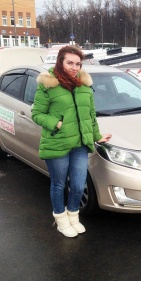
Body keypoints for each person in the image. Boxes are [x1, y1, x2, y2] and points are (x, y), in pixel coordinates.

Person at [32, 45, 112, 237]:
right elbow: (36, 113)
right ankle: (61, 220)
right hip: (57, 143)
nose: (74, 67)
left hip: (79, 145)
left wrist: (96, 135)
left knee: (77, 185)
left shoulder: (84, 86)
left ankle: (73, 217)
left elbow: (90, 116)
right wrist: (57, 124)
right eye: (70, 63)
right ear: (60, 62)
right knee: (59, 184)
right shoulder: (48, 84)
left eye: (78, 64)